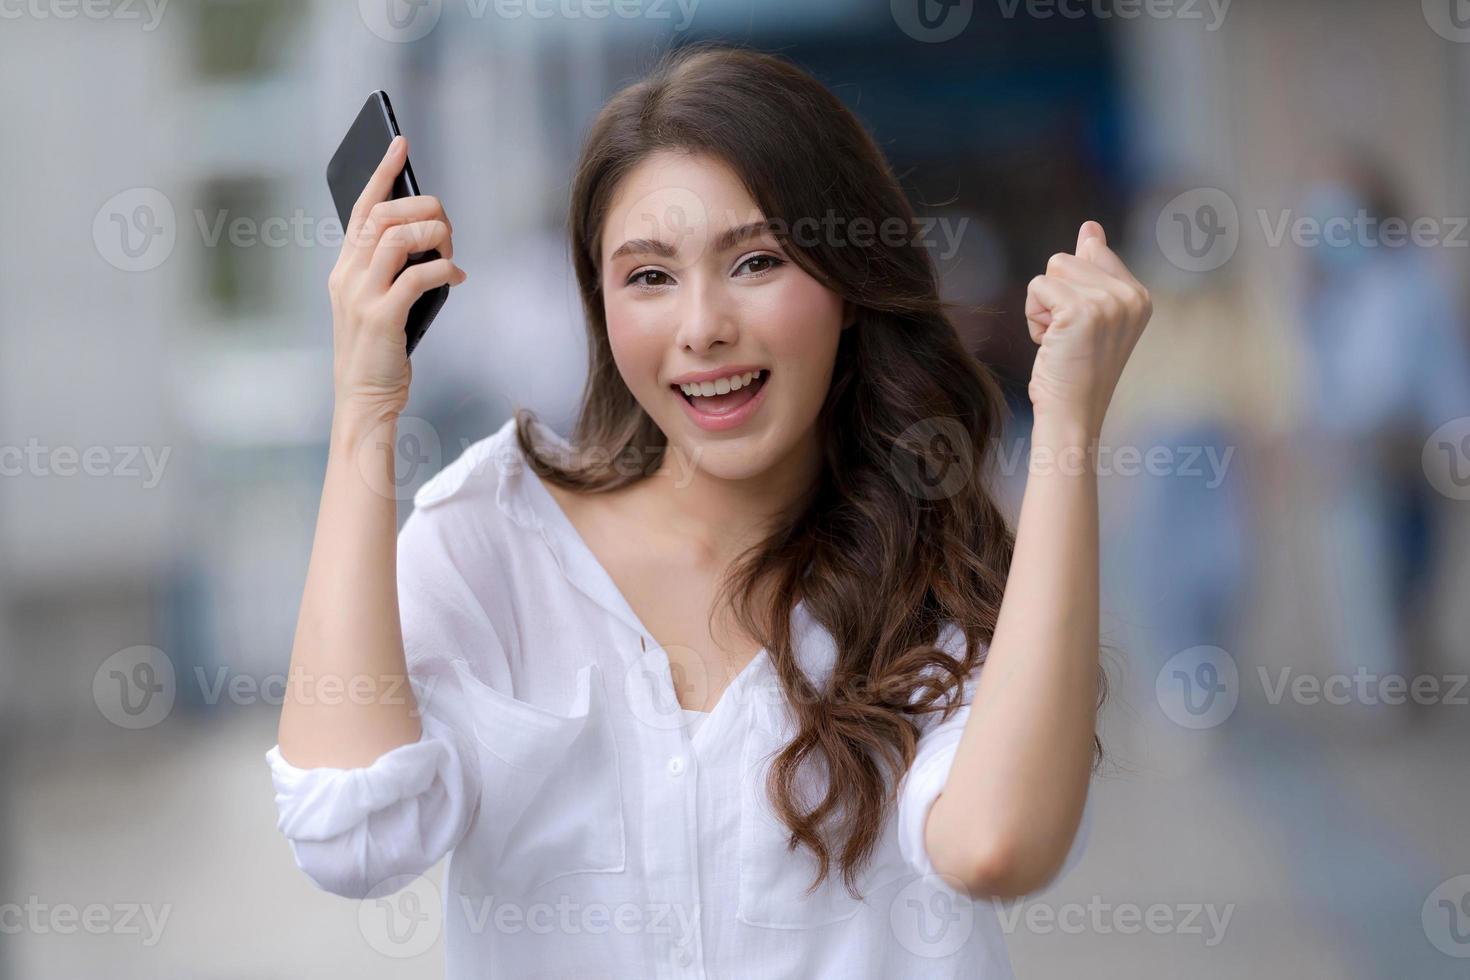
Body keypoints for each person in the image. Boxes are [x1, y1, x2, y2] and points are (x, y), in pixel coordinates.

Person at [265, 45, 1152, 978]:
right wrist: (366, 408)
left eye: (757, 260)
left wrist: (1067, 427)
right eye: (648, 276)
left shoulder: (929, 552)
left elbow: (995, 845)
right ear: (599, 303)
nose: (702, 327)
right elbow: (348, 833)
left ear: (849, 283)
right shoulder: (489, 537)